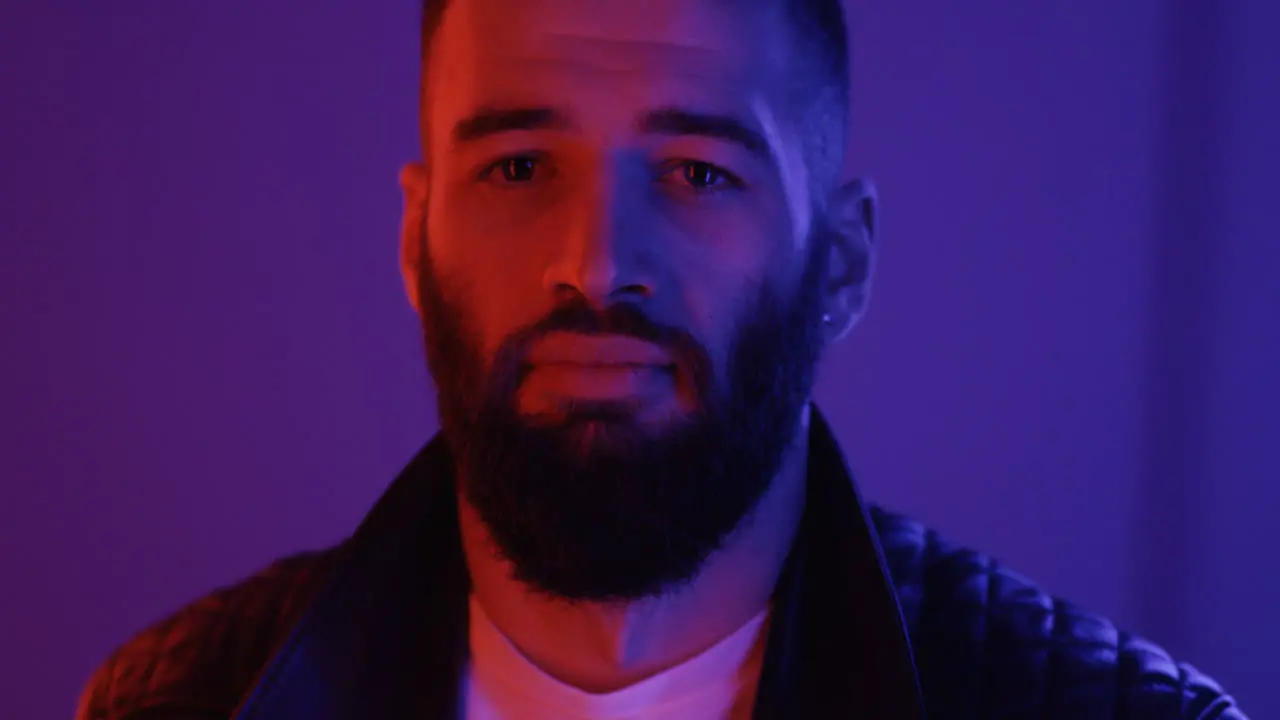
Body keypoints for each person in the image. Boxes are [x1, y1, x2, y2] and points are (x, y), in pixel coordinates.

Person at [76, 0, 1245, 717]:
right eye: (520, 167)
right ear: (413, 239)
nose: (593, 265)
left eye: (696, 172)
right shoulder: (180, 702)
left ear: (836, 265)